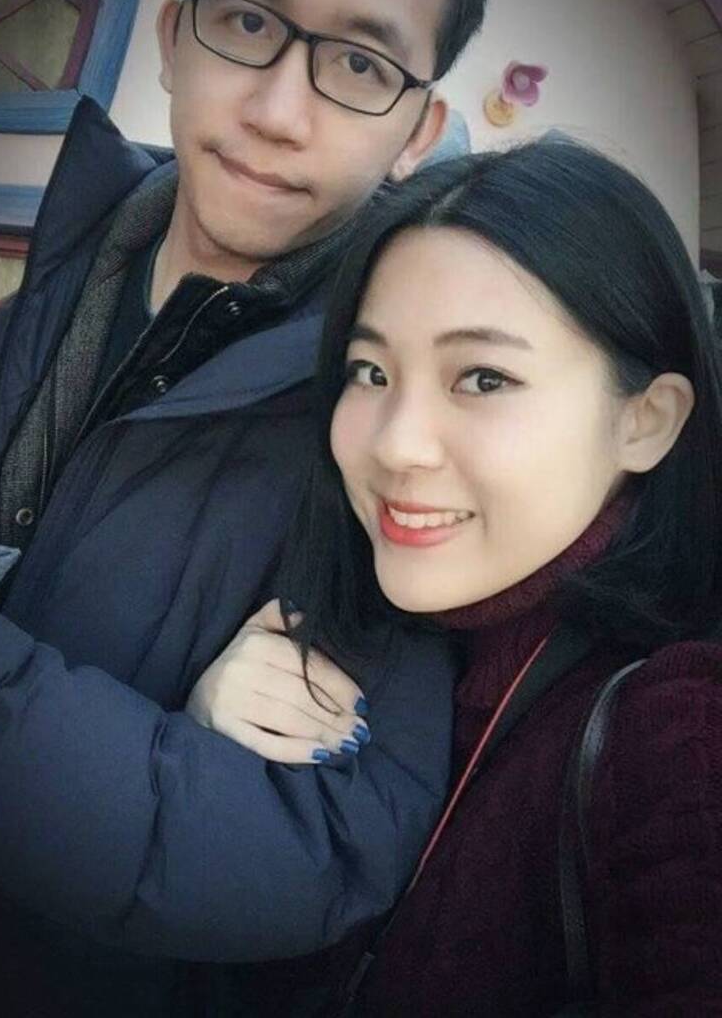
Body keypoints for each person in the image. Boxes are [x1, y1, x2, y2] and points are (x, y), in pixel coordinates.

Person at [0, 0, 492, 1016]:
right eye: (247, 22)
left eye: (360, 64)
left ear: (417, 131)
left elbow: (326, 841)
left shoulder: (393, 421)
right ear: (172, 38)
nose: (278, 112)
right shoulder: (80, 262)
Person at [252, 138, 722, 1014]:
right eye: (371, 371)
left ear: (646, 422)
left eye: (483, 377)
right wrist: (220, 743)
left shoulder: (676, 731)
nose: (396, 443)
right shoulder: (363, 633)